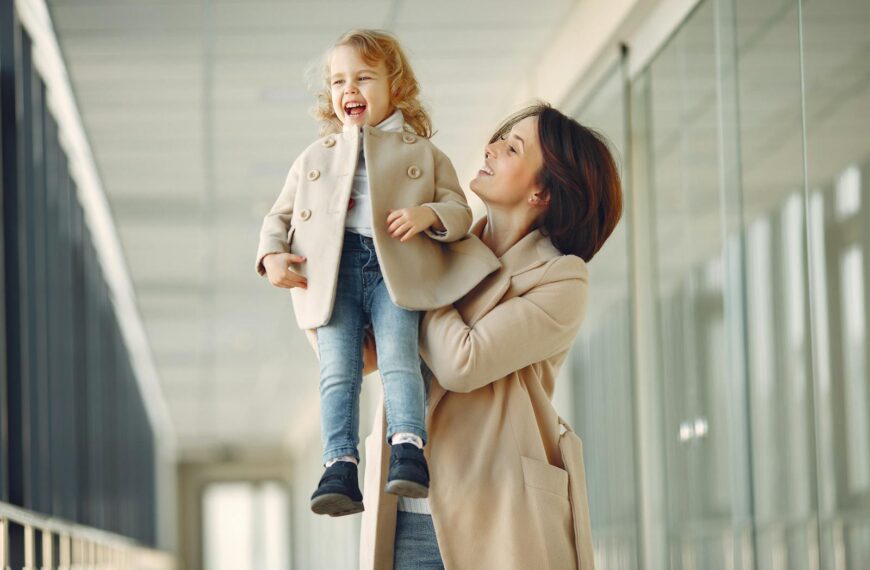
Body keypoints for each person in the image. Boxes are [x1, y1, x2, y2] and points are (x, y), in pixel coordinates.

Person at [359, 103, 623, 568]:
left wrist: (421, 271)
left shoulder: (561, 279)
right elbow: (362, 355)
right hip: (405, 513)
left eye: (512, 146)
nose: (491, 147)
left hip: (499, 519)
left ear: (542, 191)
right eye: (500, 138)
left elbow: (464, 362)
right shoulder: (447, 250)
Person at [254, 29, 498, 518]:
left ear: (396, 87)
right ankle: (338, 464)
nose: (350, 90)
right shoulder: (315, 157)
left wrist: (428, 214)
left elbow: (458, 207)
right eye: (339, 81)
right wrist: (272, 257)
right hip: (331, 272)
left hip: (396, 269)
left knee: (398, 358)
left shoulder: (423, 153)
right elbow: (278, 217)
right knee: (336, 370)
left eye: (364, 78)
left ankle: (408, 448)